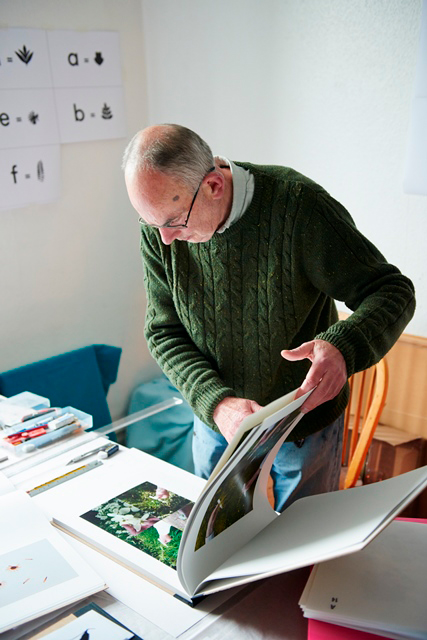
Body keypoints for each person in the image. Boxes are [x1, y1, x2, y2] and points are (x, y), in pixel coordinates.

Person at [122, 124, 415, 511]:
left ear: (213, 185)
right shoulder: (164, 223)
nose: (165, 240)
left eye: (174, 221)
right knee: (213, 541)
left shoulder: (300, 207)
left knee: (304, 542)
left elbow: (392, 291)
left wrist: (345, 347)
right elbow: (163, 331)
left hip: (304, 423)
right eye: (150, 222)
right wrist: (217, 404)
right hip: (218, 422)